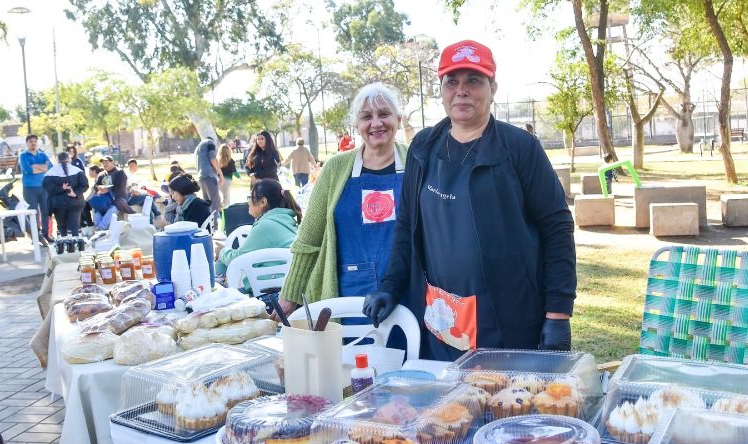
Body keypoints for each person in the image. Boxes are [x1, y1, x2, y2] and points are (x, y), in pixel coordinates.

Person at [362, 40, 576, 361]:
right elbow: (407, 225)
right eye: (452, 81)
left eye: (473, 80)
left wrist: (558, 312)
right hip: (442, 316)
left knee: (505, 403)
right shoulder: (424, 147)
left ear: (493, 87)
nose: (461, 90)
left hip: (507, 315)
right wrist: (391, 286)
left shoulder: (519, 148)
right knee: (450, 408)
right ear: (442, 90)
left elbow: (556, 228)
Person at [277, 82, 408, 317]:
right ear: (357, 125)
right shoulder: (336, 168)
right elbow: (309, 238)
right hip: (346, 294)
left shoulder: (416, 161)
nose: (376, 123)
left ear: (398, 119)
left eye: (384, 114)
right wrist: (290, 296)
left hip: (407, 293)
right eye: (366, 116)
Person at [215, 178, 302, 279]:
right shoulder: (285, 219)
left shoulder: (266, 226)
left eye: (250, 197)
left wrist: (222, 251)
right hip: (283, 284)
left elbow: (238, 259)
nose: (248, 202)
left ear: (263, 202)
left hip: (271, 289)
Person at [42, 151, 89, 243]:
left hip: (58, 204)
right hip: (75, 202)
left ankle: (64, 245)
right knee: (75, 225)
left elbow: (48, 188)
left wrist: (61, 188)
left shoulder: (50, 173)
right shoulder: (77, 171)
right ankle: (76, 245)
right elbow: (84, 185)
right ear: (69, 159)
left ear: (57, 160)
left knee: (61, 226)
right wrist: (75, 193)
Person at [18, 134, 53, 244]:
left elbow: (50, 167)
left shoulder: (42, 154)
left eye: (35, 141)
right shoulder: (23, 155)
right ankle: (36, 236)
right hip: (29, 188)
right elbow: (28, 170)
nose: (33, 143)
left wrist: (35, 166)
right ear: (27, 143)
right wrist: (42, 167)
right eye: (30, 141)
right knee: (33, 213)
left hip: (43, 187)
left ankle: (46, 234)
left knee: (46, 211)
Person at [90, 156, 134, 229]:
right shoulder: (101, 174)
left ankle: (101, 228)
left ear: (112, 162)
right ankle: (98, 228)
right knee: (96, 207)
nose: (105, 164)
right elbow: (96, 185)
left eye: (107, 162)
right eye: (103, 163)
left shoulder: (120, 172)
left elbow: (119, 186)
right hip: (103, 199)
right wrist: (99, 187)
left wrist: (107, 189)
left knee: (112, 209)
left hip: (117, 198)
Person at [194, 137, 225, 219]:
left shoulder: (198, 148)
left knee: (207, 204)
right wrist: (220, 173)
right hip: (209, 176)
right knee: (215, 204)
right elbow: (213, 158)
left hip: (201, 178)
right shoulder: (210, 142)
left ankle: (209, 227)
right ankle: (215, 227)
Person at [218, 143, 240, 208]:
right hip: (227, 180)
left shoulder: (218, 161)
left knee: (223, 196)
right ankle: (225, 210)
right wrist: (239, 177)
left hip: (219, 180)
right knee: (227, 197)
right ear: (229, 151)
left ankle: (221, 206)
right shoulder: (230, 161)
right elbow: (234, 171)